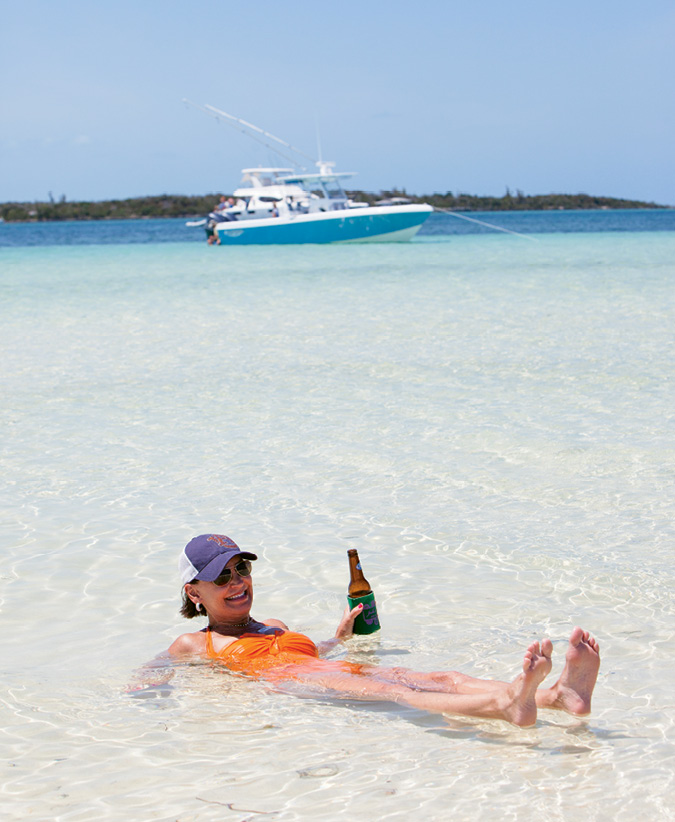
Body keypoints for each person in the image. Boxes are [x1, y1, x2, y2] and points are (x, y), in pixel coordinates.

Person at [139, 534, 601, 727]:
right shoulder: (196, 642)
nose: (237, 582)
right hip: (294, 682)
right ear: (194, 593)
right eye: (222, 577)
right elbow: (153, 673)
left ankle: (558, 696)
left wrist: (338, 637)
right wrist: (145, 695)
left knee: (438, 678)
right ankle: (504, 704)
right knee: (398, 693)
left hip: (320, 665)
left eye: (241, 570)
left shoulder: (275, 625)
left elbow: (310, 650)